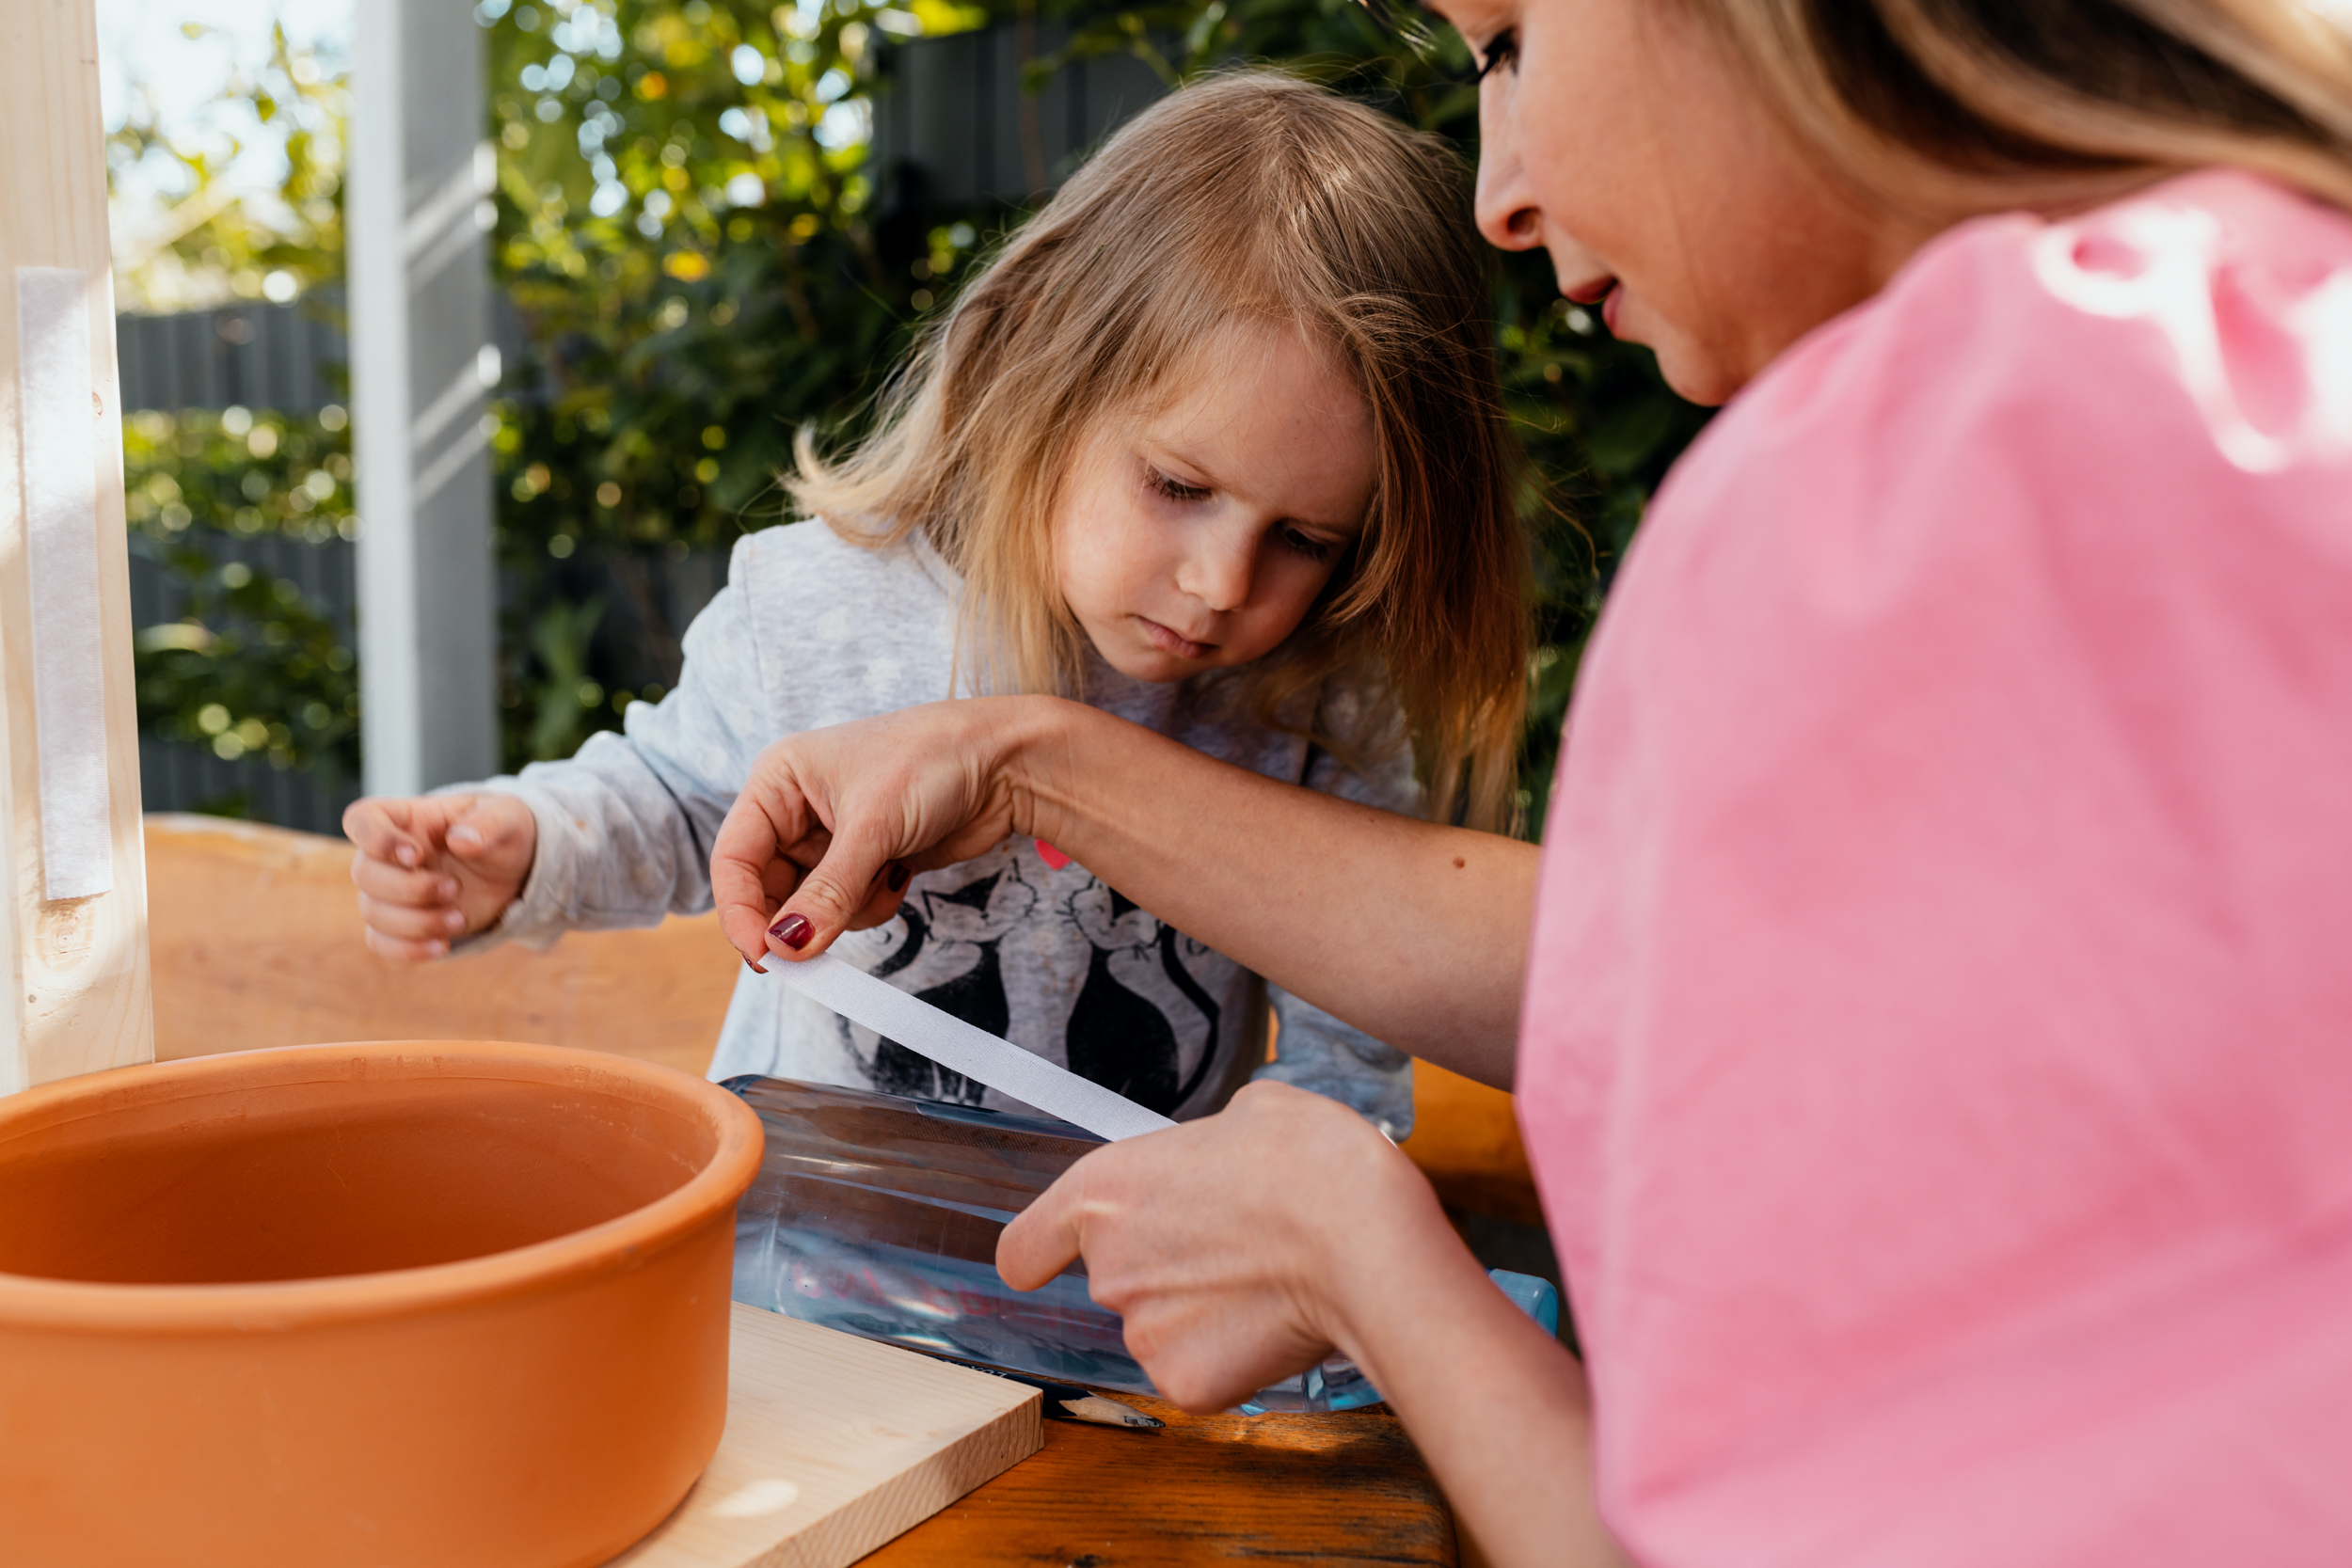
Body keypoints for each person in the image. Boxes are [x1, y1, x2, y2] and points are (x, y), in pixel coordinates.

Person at [706, 2, 2352, 1564]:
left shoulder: (1889, 485)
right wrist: (1030, 755)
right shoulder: (2265, 354)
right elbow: (1709, 985)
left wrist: (1361, 1250)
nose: (1498, 197)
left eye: (1510, 42)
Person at [342, 73, 1533, 1135]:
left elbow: (1345, 1053)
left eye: (1306, 539)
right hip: (820, 1273)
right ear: (1038, 376)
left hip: (1118, 1323)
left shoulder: (1321, 691)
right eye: (1177, 484)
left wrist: (1291, 1198)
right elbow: (675, 797)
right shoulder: (818, 602)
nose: (1223, 584)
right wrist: (526, 847)